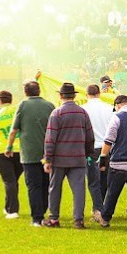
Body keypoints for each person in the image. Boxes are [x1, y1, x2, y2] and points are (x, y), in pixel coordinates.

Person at [42, 82, 94, 229]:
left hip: (59, 159)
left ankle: (54, 218)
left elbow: (50, 138)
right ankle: (78, 220)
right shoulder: (82, 113)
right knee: (79, 190)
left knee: (54, 189)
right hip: (78, 158)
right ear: (74, 96)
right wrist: (87, 154)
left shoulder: (56, 113)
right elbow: (90, 137)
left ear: (60, 96)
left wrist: (48, 159)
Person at [5, 80, 55, 228]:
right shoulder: (49, 106)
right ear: (39, 91)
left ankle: (37, 218)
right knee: (46, 185)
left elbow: (14, 130)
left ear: (25, 92)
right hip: (48, 153)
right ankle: (43, 212)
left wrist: (9, 147)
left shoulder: (23, 105)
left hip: (29, 154)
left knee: (34, 186)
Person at [97, 94, 127, 233]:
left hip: (118, 164)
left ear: (118, 105)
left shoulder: (117, 117)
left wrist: (103, 157)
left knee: (112, 194)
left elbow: (108, 140)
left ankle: (105, 219)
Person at [0, 90, 22, 220]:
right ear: (11, 100)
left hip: (1, 152)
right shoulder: (18, 111)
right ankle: (8, 206)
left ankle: (12, 211)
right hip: (20, 151)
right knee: (13, 181)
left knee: (9, 181)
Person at [82, 84, 114, 221]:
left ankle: (99, 210)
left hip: (91, 148)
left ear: (86, 94)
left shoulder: (83, 109)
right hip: (107, 147)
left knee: (93, 181)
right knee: (105, 180)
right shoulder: (109, 108)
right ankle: (101, 208)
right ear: (99, 93)